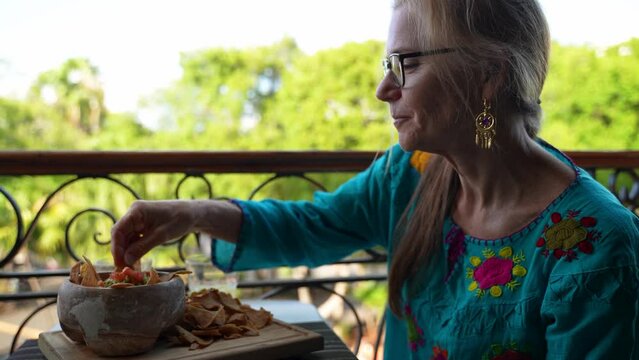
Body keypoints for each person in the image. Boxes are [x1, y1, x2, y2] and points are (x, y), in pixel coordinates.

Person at [111, 0, 639, 358]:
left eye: (405, 63)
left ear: (489, 78)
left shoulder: (595, 249)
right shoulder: (411, 175)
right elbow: (312, 225)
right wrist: (190, 212)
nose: (384, 88)